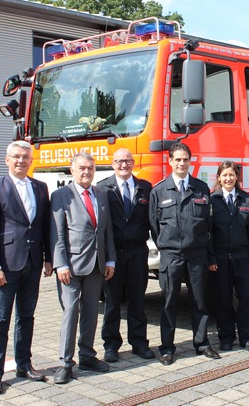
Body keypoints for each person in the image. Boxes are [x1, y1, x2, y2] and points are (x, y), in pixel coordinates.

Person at [0, 141, 52, 395]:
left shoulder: (40, 188)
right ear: (6, 159)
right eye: (16, 157)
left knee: (26, 317)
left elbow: (44, 227)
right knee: (0, 320)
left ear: (31, 160)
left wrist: (48, 258)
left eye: (25, 157)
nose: (21, 161)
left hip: (32, 263)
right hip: (6, 266)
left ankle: (24, 364)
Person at [149, 142, 220, 365]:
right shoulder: (159, 190)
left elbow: (208, 223)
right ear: (170, 161)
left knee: (199, 301)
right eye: (177, 159)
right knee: (169, 301)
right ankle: (167, 348)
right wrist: (168, 245)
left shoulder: (201, 188)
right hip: (171, 256)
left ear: (190, 161)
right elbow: (154, 225)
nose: (181, 163)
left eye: (185, 159)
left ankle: (202, 343)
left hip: (196, 255)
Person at [50, 152, 117, 384]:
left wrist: (110, 260)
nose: (86, 172)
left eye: (90, 168)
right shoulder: (60, 195)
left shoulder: (101, 194)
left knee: (90, 312)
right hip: (71, 266)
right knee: (71, 312)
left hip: (97, 265)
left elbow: (106, 230)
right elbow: (57, 234)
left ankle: (87, 355)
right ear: (72, 170)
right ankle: (65, 363)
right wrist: (60, 263)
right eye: (81, 168)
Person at [97, 148, 154, 362]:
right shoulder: (103, 188)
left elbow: (152, 221)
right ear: (112, 164)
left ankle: (139, 343)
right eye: (119, 161)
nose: (124, 165)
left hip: (138, 252)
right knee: (112, 302)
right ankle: (111, 345)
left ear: (133, 163)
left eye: (128, 161)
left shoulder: (145, 188)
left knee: (138, 300)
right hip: (113, 254)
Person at [208, 161, 249, 353]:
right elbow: (209, 233)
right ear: (219, 178)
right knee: (223, 300)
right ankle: (226, 338)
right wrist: (211, 258)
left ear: (237, 177)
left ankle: (247, 338)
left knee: (247, 299)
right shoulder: (211, 200)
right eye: (225, 175)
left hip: (243, 258)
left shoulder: (246, 199)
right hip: (221, 259)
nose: (228, 178)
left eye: (232, 175)